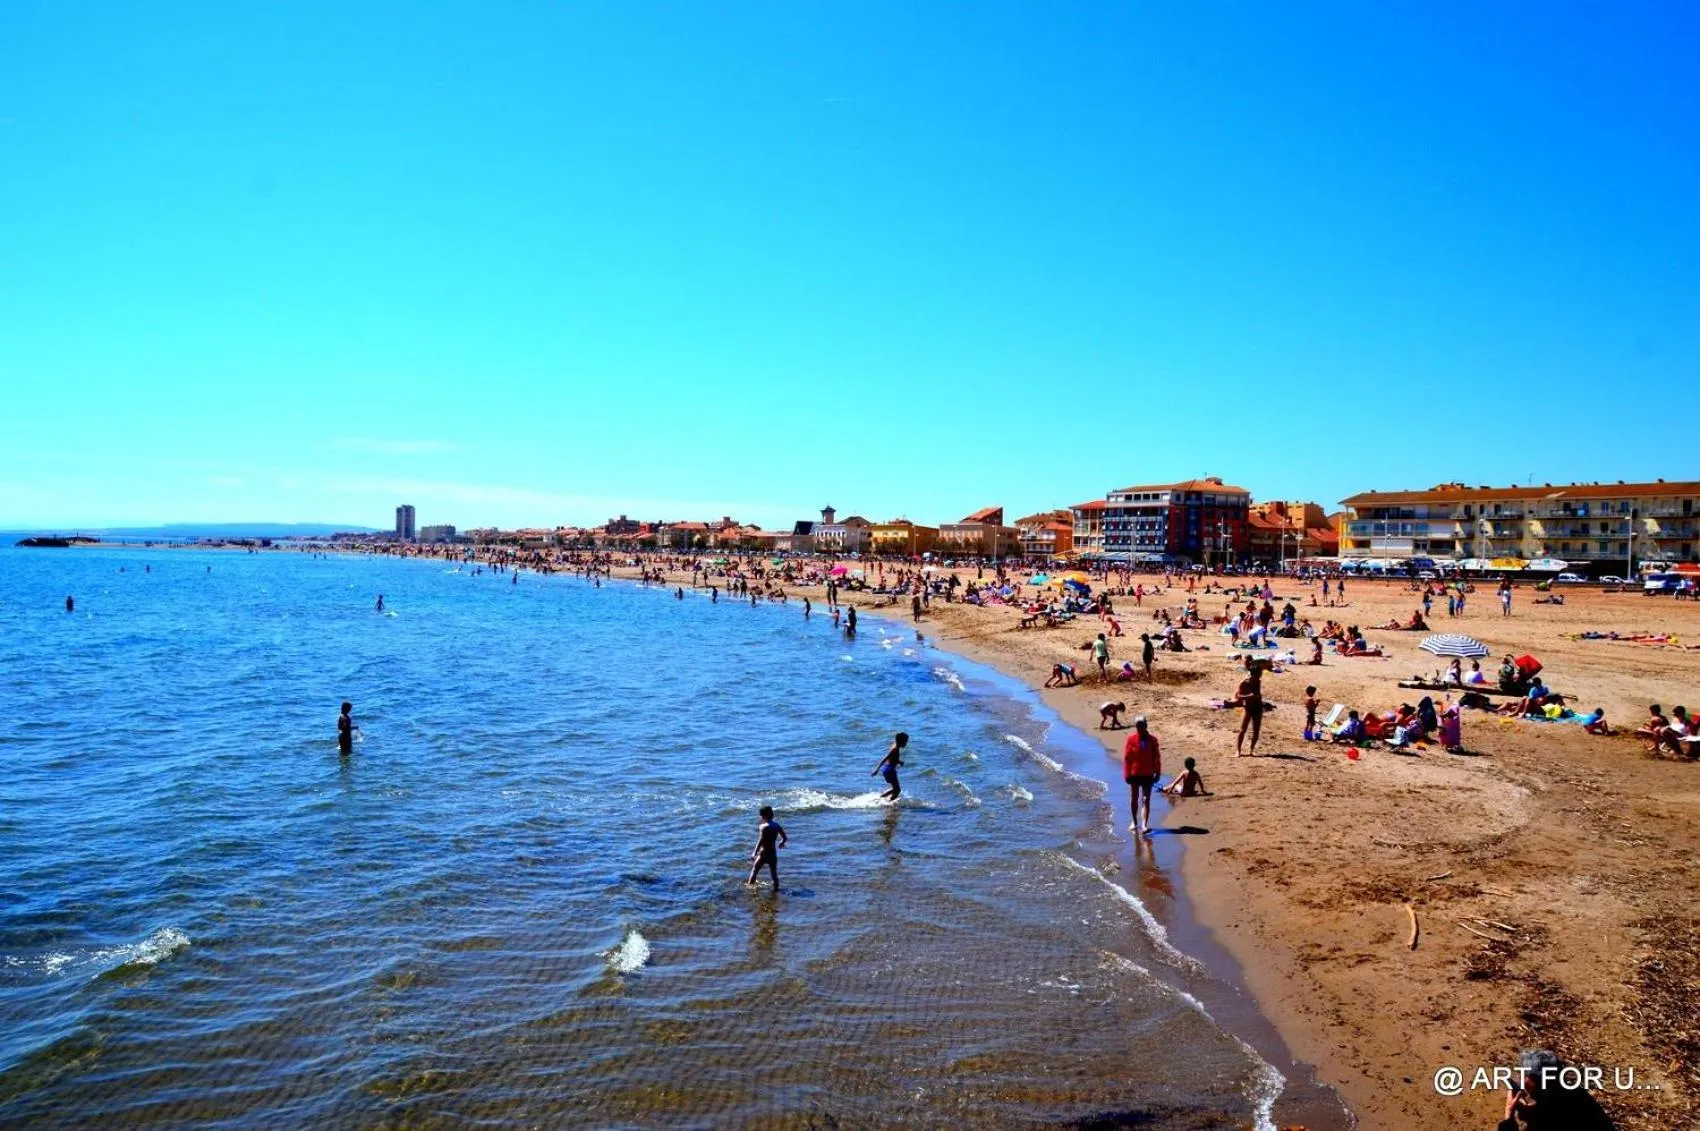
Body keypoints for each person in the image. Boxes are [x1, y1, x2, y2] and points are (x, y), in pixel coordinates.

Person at [1495, 1049, 1613, 1131]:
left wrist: (1508, 1116)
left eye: (1525, 1074)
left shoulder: (1556, 1112)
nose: (1520, 1078)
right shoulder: (1570, 1093)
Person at [1122, 716, 1161, 836]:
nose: (1139, 728)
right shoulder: (1131, 739)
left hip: (1148, 774)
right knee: (1134, 798)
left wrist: (1158, 772)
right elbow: (1127, 758)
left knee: (1145, 799)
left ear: (1146, 726)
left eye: (1141, 725)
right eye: (1137, 726)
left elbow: (1156, 757)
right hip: (1134, 774)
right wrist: (1126, 774)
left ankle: (1144, 824)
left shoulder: (1152, 740)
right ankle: (1134, 822)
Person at [746, 805, 788, 888]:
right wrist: (781, 843)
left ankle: (750, 888)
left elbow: (760, 840)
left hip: (763, 853)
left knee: (754, 870)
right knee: (774, 873)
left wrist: (754, 853)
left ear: (763, 816)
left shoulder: (763, 827)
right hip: (772, 853)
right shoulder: (776, 825)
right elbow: (785, 838)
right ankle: (776, 890)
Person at [1234, 661, 1265, 757]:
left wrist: (1257, 697)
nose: (1260, 676)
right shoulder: (1244, 683)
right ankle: (1238, 750)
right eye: (1259, 674)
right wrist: (1249, 696)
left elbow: (1258, 694)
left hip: (1258, 708)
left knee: (1256, 730)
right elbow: (1238, 696)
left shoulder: (1258, 682)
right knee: (1242, 730)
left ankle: (1251, 749)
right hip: (1248, 708)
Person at [872, 732, 907, 800]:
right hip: (889, 770)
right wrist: (876, 769)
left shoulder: (895, 745)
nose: (906, 743)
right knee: (897, 790)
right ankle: (888, 802)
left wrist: (899, 762)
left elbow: (893, 758)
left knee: (895, 789)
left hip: (888, 769)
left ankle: (880, 799)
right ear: (901, 741)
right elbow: (885, 758)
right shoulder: (895, 748)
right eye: (905, 741)